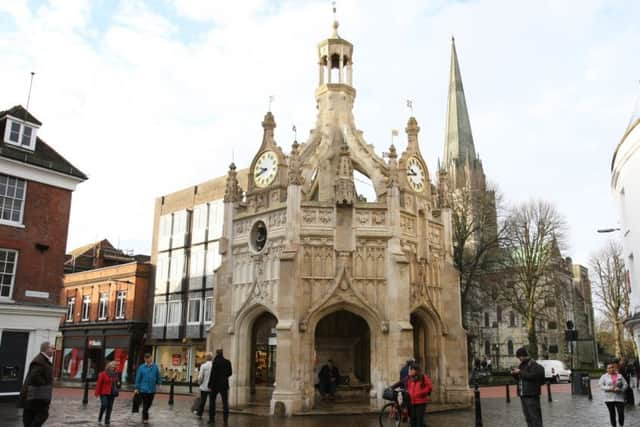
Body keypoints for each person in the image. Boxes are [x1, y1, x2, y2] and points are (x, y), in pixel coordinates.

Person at [21, 341, 54, 427]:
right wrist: (45, 386)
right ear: (46, 349)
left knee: (30, 417)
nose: (53, 350)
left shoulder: (42, 360)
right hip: (37, 396)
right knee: (42, 415)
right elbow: (34, 377)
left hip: (35, 396)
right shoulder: (40, 360)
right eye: (52, 348)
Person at [511, 347, 545, 427]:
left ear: (523, 355)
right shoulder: (522, 365)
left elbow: (532, 376)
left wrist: (520, 372)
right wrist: (515, 374)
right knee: (528, 417)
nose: (519, 359)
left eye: (519, 357)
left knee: (535, 417)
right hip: (523, 394)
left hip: (531, 395)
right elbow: (521, 378)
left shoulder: (533, 364)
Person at [135, 353, 162, 424]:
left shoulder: (155, 367)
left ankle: (144, 412)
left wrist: (159, 384)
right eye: (146, 358)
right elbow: (138, 378)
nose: (148, 359)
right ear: (144, 359)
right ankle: (145, 418)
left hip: (152, 389)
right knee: (145, 404)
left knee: (149, 404)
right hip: (143, 389)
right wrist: (137, 388)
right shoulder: (141, 367)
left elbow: (158, 375)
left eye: (149, 358)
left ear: (151, 358)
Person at [207, 349, 233, 425]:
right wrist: (224, 377)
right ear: (222, 353)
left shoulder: (215, 362)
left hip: (215, 385)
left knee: (212, 402)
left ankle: (211, 419)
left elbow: (212, 375)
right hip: (224, 384)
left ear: (216, 353)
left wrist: (209, 385)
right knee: (225, 403)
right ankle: (225, 420)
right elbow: (230, 373)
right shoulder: (227, 362)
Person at [599, 361, 627, 427]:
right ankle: (614, 425)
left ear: (614, 368)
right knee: (612, 414)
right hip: (609, 399)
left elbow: (625, 384)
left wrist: (621, 389)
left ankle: (621, 424)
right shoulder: (604, 376)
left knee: (621, 413)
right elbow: (601, 386)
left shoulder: (619, 375)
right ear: (606, 369)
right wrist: (610, 388)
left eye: (611, 367)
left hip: (619, 397)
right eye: (608, 368)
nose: (610, 369)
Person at [195, 352, 214, 418]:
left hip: (204, 386)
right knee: (212, 402)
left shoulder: (203, 366)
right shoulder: (214, 365)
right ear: (212, 358)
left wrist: (199, 383)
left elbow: (200, 377)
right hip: (212, 387)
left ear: (206, 358)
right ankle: (211, 416)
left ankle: (200, 414)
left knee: (202, 401)